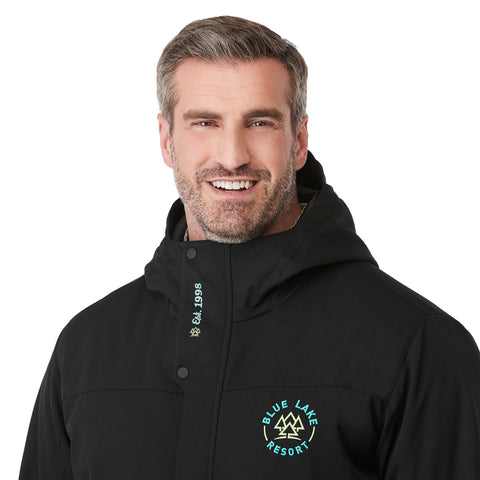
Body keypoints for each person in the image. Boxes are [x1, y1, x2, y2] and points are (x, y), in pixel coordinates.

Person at [20, 15, 480, 480]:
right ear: (166, 141)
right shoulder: (86, 349)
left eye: (260, 122)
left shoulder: (417, 346)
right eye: (204, 122)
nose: (233, 155)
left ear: (298, 141)